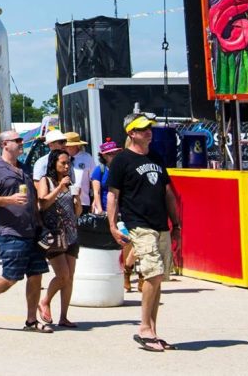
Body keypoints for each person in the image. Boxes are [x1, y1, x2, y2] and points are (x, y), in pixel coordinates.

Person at [108, 112, 182, 352]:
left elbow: (168, 192)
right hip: (139, 224)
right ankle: (143, 328)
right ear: (131, 133)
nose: (148, 131)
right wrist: (112, 225)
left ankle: (153, 330)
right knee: (152, 274)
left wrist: (176, 224)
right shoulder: (122, 160)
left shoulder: (156, 157)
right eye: (142, 129)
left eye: (149, 127)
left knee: (158, 279)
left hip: (161, 224)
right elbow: (113, 195)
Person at [0, 129, 53, 333]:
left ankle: (31, 321)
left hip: (32, 229)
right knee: (11, 276)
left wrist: (40, 223)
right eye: (16, 140)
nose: (20, 143)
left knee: (36, 275)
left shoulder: (25, 169)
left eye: (20, 140)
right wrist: (8, 200)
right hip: (10, 230)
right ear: (4, 144)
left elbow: (33, 200)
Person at [36, 148, 80, 328]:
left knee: (70, 277)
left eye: (69, 163)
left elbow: (77, 212)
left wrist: (77, 199)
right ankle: (44, 301)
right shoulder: (45, 181)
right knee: (63, 275)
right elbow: (43, 203)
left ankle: (64, 316)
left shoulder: (71, 183)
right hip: (54, 234)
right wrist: (60, 188)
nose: (67, 166)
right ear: (54, 163)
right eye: (63, 163)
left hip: (71, 233)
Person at [89, 139, 121, 215]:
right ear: (104, 156)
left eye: (116, 153)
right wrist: (100, 210)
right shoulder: (99, 170)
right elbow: (97, 192)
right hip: (105, 210)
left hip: (121, 211)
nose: (114, 156)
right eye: (111, 154)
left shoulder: (121, 169)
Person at [66, 132, 95, 212]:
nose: (64, 147)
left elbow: (93, 180)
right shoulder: (62, 158)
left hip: (83, 201)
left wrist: (95, 200)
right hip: (65, 202)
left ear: (76, 145)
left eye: (67, 145)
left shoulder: (87, 158)